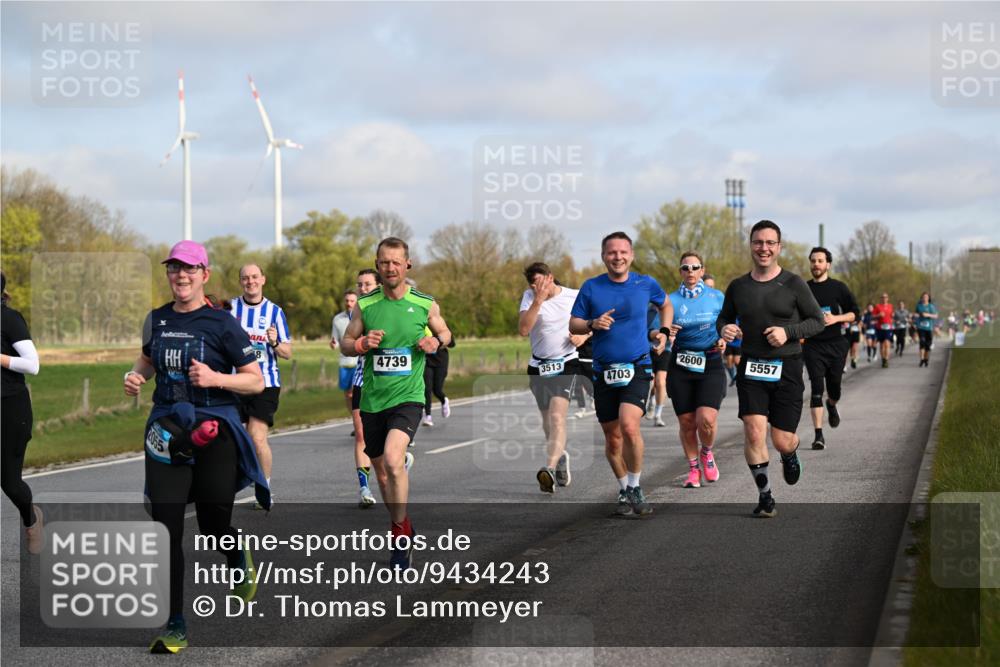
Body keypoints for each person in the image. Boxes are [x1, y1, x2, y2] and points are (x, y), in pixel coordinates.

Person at [124, 241, 267, 653]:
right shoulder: (157, 320)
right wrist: (135, 377)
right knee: (166, 528)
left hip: (214, 430)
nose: (180, 276)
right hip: (167, 430)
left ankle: (235, 553)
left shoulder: (222, 324)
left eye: (188, 269)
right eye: (173, 269)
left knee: (212, 523)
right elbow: (147, 360)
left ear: (204, 274)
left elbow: (254, 380)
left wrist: (216, 379)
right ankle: (175, 624)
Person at [342, 237, 451, 568]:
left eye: (395, 262)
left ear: (407, 265)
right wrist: (360, 343)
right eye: (383, 262)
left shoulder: (424, 303)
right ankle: (403, 524)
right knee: (384, 476)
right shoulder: (367, 304)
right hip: (374, 400)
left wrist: (435, 341)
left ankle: (398, 537)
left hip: (408, 398)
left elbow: (446, 333)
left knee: (393, 459)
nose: (389, 268)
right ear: (377, 266)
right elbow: (346, 343)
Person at [716, 221, 825, 518]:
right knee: (753, 432)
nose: (763, 248)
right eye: (758, 242)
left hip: (787, 366)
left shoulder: (793, 284)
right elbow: (724, 318)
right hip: (752, 366)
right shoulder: (738, 286)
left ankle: (790, 452)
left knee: (780, 439)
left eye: (770, 243)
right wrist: (725, 328)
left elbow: (817, 321)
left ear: (779, 247)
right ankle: (765, 496)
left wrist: (787, 332)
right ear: (751, 245)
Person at [569, 231, 673, 516]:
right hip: (603, 371)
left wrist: (663, 331)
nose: (618, 257)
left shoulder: (645, 283)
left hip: (638, 366)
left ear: (632, 255)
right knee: (612, 438)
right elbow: (574, 324)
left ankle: (636, 486)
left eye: (623, 252)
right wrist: (592, 323)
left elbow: (665, 304)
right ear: (604, 256)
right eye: (612, 252)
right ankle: (623, 487)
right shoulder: (591, 287)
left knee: (629, 426)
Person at [518, 262, 587, 492]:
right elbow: (524, 330)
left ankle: (548, 467)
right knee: (547, 422)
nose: (539, 288)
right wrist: (537, 301)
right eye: (534, 284)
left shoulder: (573, 296)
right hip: (539, 366)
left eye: (542, 282)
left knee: (558, 417)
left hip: (567, 361)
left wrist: (584, 337)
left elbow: (592, 323)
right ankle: (559, 456)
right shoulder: (530, 297)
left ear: (551, 277)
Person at [230, 263, 291, 506]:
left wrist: (275, 342)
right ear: (241, 282)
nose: (250, 281)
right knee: (232, 439)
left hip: (266, 383)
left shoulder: (275, 312)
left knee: (256, 437)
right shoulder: (230, 309)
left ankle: (263, 486)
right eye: (245, 278)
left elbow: (287, 352)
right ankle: (233, 480)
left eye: (255, 277)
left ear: (263, 279)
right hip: (235, 382)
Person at [665, 253, 727, 488]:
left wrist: (724, 338)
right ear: (680, 271)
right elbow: (656, 330)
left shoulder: (716, 297)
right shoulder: (670, 300)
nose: (690, 271)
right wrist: (665, 332)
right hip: (681, 363)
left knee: (706, 419)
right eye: (685, 267)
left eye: (695, 267)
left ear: (702, 270)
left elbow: (728, 324)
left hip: (710, 362)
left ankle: (707, 453)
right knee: (688, 422)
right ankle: (693, 470)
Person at [1, 272, 43, 554]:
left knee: (10, 482)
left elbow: (32, 365)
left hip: (10, 409)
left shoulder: (9, 319)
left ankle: (32, 519)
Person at [804, 247, 859, 450]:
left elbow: (855, 313)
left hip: (836, 344)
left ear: (828, 264)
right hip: (813, 346)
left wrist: (836, 318)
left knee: (834, 387)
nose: (816, 264)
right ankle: (819, 435)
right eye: (813, 261)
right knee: (816, 389)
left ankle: (832, 404)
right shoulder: (803, 288)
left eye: (820, 261)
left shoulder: (838, 288)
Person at [331, 290, 359, 415]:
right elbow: (336, 339)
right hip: (344, 362)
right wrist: (333, 344)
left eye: (352, 301)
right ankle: (354, 420)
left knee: (356, 392)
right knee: (348, 395)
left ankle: (361, 423)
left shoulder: (361, 316)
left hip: (359, 361)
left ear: (357, 302)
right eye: (347, 300)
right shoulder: (337, 319)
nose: (349, 303)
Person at [645, 302, 670, 427]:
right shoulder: (646, 311)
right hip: (649, 350)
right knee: (652, 382)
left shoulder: (670, 311)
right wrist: (654, 334)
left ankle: (658, 415)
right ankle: (651, 401)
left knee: (661, 382)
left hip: (665, 350)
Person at [422, 332, 453, 427]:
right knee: (427, 389)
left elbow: (452, 343)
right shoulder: (422, 325)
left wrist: (437, 342)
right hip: (427, 361)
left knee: (437, 390)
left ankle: (444, 400)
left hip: (441, 361)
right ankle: (428, 416)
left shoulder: (440, 327)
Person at [915, 292, 938, 367]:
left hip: (929, 328)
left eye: (926, 297)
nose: (924, 298)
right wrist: (916, 315)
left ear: (928, 298)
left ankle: (926, 359)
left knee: (928, 345)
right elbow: (915, 314)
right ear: (921, 298)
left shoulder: (931, 306)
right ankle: (921, 359)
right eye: (923, 297)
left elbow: (936, 316)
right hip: (920, 327)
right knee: (922, 342)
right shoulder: (919, 306)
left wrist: (928, 315)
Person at [871, 293, 895, 368]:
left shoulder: (890, 306)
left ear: (888, 298)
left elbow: (892, 315)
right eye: (883, 297)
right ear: (881, 298)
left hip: (888, 328)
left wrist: (893, 317)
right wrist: (878, 315)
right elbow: (872, 316)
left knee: (887, 343)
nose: (884, 298)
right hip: (880, 328)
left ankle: (886, 359)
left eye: (885, 297)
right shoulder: (878, 306)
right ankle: (883, 359)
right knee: (881, 345)